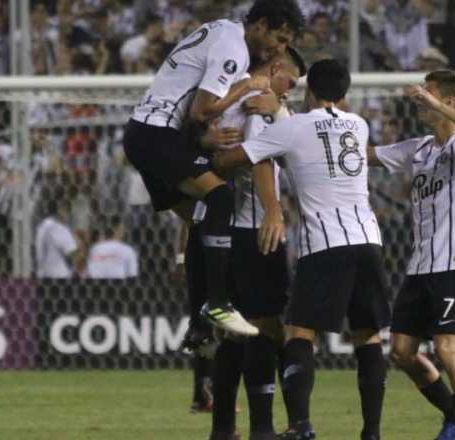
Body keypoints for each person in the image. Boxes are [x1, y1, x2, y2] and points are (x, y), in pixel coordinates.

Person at [213, 59, 389, 440]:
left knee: (298, 333)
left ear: (309, 91)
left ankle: (301, 426)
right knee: (368, 336)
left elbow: (240, 158)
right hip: (369, 241)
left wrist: (220, 147)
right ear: (344, 93)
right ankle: (372, 433)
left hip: (326, 243)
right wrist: (279, 112)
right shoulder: (358, 125)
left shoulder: (293, 128)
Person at [122, 0, 304, 337]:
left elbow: (195, 109)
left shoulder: (222, 29)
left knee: (201, 219)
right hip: (156, 133)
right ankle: (217, 304)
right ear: (260, 24)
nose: (278, 48)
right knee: (219, 198)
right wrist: (247, 86)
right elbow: (201, 111)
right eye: (279, 38)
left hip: (145, 133)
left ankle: (199, 326)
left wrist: (203, 140)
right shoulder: (234, 50)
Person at [368, 70, 455, 440]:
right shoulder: (419, 149)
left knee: (447, 350)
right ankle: (454, 415)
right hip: (420, 267)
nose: (419, 97)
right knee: (402, 352)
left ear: (448, 101)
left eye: (429, 91)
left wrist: (435, 105)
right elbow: (367, 155)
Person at [205, 46, 305, 440]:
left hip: (225, 229)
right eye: (289, 81)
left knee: (233, 332)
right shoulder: (258, 104)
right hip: (255, 228)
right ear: (276, 68)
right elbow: (260, 158)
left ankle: (223, 428)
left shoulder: (237, 97)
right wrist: (274, 211)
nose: (289, 91)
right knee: (265, 328)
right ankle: (261, 428)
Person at [35, 199, 82, 279]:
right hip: (59, 275)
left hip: (43, 273)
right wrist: (80, 243)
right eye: (67, 211)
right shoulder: (59, 228)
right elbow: (73, 254)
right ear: (60, 210)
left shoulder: (41, 226)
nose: (69, 215)